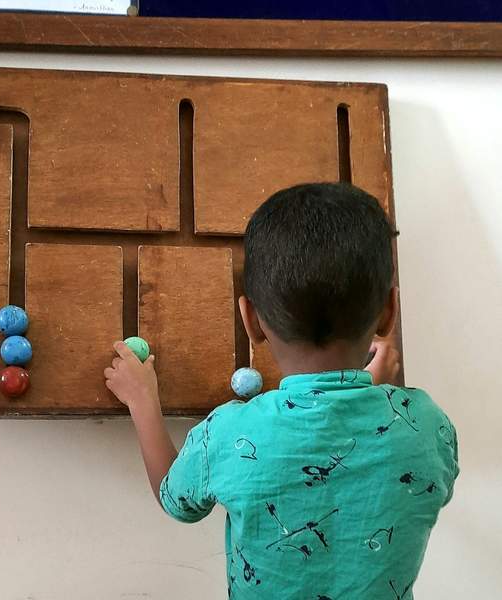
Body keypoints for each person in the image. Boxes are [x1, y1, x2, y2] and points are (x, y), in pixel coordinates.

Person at [104, 183, 458, 599]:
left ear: (251, 321)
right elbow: (383, 476)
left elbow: (176, 500)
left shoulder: (230, 433)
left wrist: (142, 398)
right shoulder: (428, 427)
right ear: (389, 313)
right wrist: (375, 393)